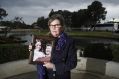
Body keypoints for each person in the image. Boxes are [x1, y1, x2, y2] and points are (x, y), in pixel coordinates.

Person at [42, 14, 77, 79]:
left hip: (62, 76)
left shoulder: (69, 41)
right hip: (47, 76)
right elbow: (39, 57)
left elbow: (73, 63)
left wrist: (54, 66)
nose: (53, 28)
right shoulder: (45, 40)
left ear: (62, 27)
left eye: (56, 25)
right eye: (51, 25)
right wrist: (32, 49)